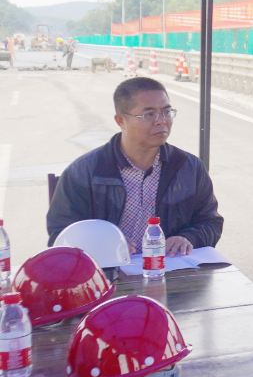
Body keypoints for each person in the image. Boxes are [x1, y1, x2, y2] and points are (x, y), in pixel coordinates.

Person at [47, 77, 222, 254]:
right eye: (149, 114)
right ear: (121, 121)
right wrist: (104, 242)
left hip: (170, 266)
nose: (161, 121)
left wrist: (188, 238)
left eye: (166, 112)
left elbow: (210, 222)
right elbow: (60, 233)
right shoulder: (84, 172)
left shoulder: (188, 167)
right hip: (107, 268)